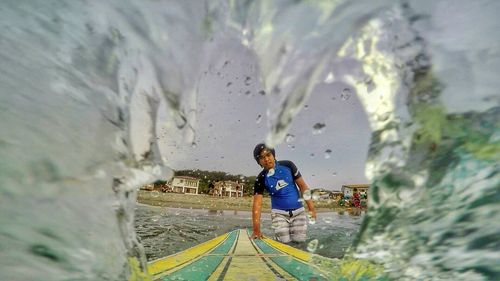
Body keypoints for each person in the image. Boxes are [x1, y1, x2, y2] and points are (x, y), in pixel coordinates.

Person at [251, 143, 317, 243]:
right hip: (278, 214)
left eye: (268, 155)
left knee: (299, 241)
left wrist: (311, 208)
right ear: (259, 162)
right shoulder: (261, 178)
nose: (266, 159)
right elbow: (257, 204)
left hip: (299, 212)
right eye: (262, 158)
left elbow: (303, 186)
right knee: (284, 242)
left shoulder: (288, 166)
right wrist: (256, 230)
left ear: (274, 155)